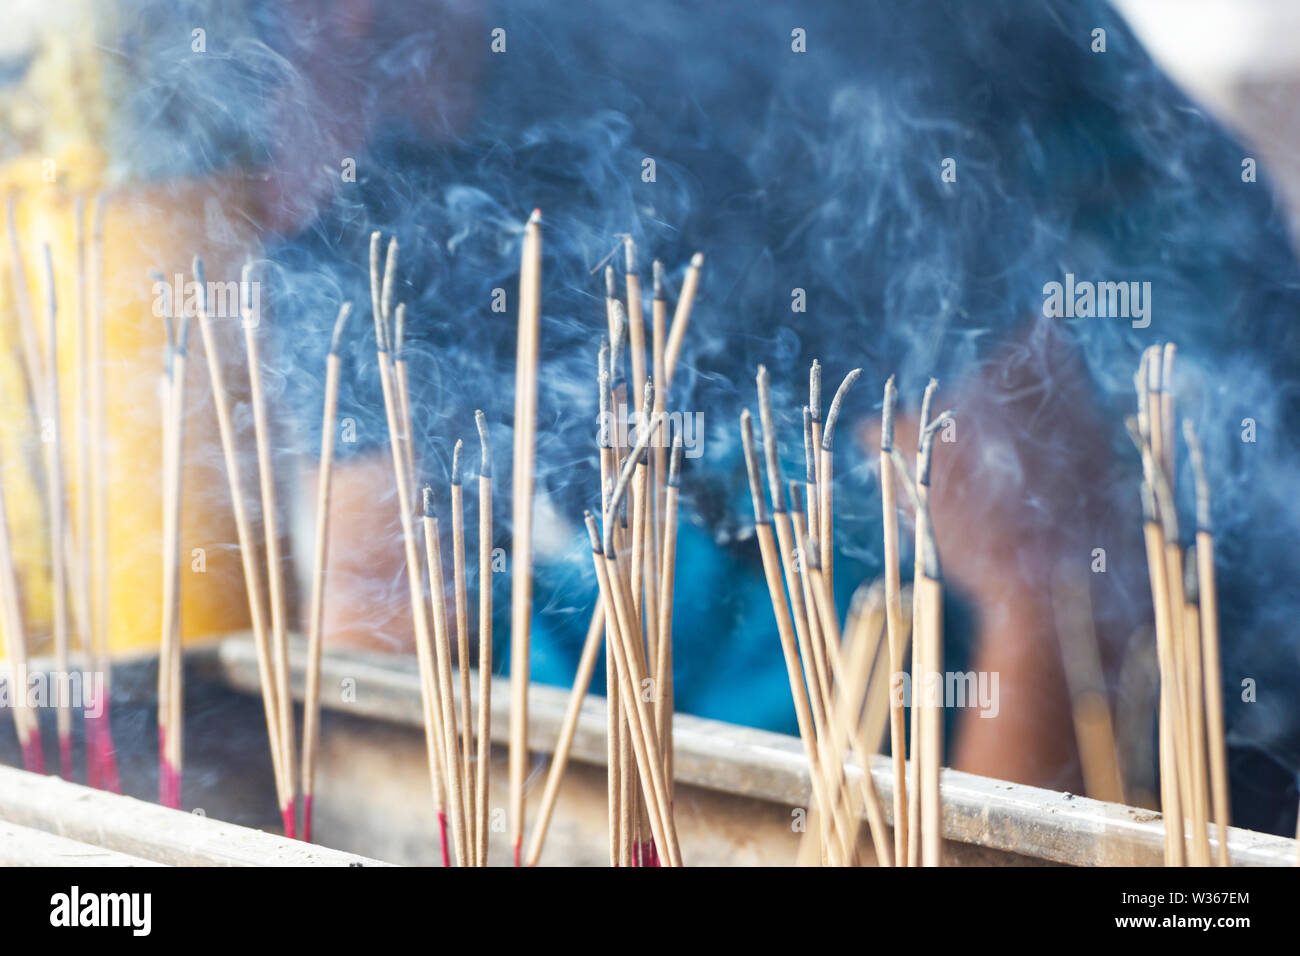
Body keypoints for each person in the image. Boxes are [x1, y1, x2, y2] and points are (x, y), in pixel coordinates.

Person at [8, 0, 1299, 836]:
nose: (270, 204)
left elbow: (1069, 585)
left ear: (335, 14)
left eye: (246, 148)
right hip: (721, 649)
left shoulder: (782, 80)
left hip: (1147, 606)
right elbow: (385, 637)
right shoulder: (325, 198)